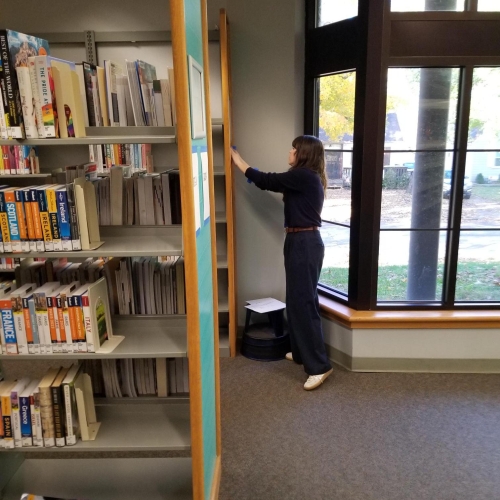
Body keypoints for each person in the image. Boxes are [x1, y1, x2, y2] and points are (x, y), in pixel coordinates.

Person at [231, 136, 333, 391]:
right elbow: (272, 183)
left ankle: (319, 366)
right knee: (297, 300)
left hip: (305, 243)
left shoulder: (304, 176)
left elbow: (267, 180)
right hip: (299, 242)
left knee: (304, 303)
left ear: (304, 154)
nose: (290, 151)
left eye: (295, 148)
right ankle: (300, 353)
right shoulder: (303, 178)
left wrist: (237, 160)